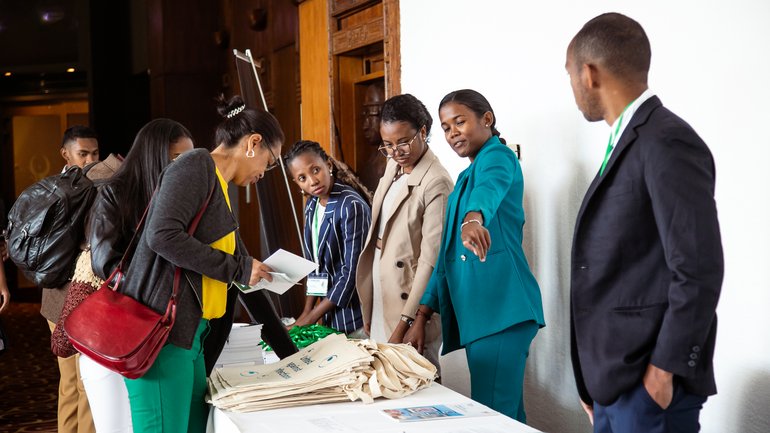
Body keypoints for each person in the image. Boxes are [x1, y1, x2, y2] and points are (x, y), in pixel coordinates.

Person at [565, 13, 723, 433]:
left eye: (570, 77)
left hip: (649, 390)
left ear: (588, 73)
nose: (573, 90)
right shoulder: (629, 139)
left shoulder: (667, 140)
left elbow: (698, 267)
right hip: (613, 383)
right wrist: (591, 380)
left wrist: (663, 371)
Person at [116, 95, 284, 433]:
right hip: (163, 338)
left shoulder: (219, 186)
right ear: (253, 143)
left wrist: (290, 355)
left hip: (191, 336)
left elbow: (240, 270)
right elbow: (162, 236)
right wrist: (238, 268)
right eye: (271, 160)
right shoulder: (195, 165)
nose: (265, 172)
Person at [406, 89, 545, 423]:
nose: (452, 132)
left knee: (493, 418)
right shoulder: (468, 174)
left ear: (487, 119)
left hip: (500, 310)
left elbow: (489, 190)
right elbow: (446, 258)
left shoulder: (498, 157)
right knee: (506, 417)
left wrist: (473, 219)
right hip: (485, 315)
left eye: (459, 121)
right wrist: (421, 314)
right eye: (445, 127)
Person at [86, 118, 194, 433]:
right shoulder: (116, 193)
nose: (184, 168)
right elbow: (105, 263)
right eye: (177, 159)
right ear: (153, 155)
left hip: (169, 326)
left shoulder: (182, 196)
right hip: (126, 325)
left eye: (188, 159)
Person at [355, 94, 452, 371]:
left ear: (422, 132)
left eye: (402, 142)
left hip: (410, 300)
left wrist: (407, 321)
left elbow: (430, 261)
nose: (396, 151)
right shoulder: (393, 166)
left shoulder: (437, 182)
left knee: (416, 380)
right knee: (384, 381)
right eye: (387, 145)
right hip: (382, 285)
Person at [41, 124, 100, 433]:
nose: (90, 160)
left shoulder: (95, 185)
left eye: (94, 153)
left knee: (76, 383)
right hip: (63, 295)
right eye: (82, 154)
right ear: (65, 154)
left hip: (73, 295)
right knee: (81, 382)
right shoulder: (58, 191)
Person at [284, 140, 371, 336]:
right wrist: (305, 314)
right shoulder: (312, 206)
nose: (312, 181)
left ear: (328, 165)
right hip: (329, 315)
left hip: (355, 315)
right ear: (296, 183)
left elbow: (352, 273)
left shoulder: (350, 205)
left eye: (316, 170)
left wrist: (312, 318)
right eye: (302, 177)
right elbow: (315, 265)